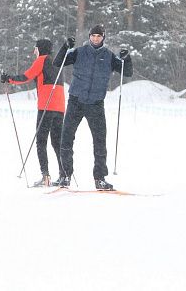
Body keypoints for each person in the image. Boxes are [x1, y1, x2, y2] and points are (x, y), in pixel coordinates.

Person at [53, 24, 132, 190]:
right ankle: (65, 176)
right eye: (93, 36)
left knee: (100, 142)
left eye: (99, 36)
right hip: (76, 101)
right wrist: (65, 47)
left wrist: (127, 58)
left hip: (96, 104)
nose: (96, 39)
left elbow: (127, 72)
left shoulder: (109, 56)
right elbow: (57, 62)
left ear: (103, 37)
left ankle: (100, 178)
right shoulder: (79, 52)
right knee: (66, 138)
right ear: (89, 37)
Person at [1, 39, 65, 187]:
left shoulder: (41, 60)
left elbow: (26, 77)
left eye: (35, 49)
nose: (34, 52)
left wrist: (8, 79)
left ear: (40, 49)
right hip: (60, 107)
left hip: (46, 106)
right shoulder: (56, 63)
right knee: (57, 142)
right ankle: (64, 175)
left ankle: (45, 176)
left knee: (41, 141)